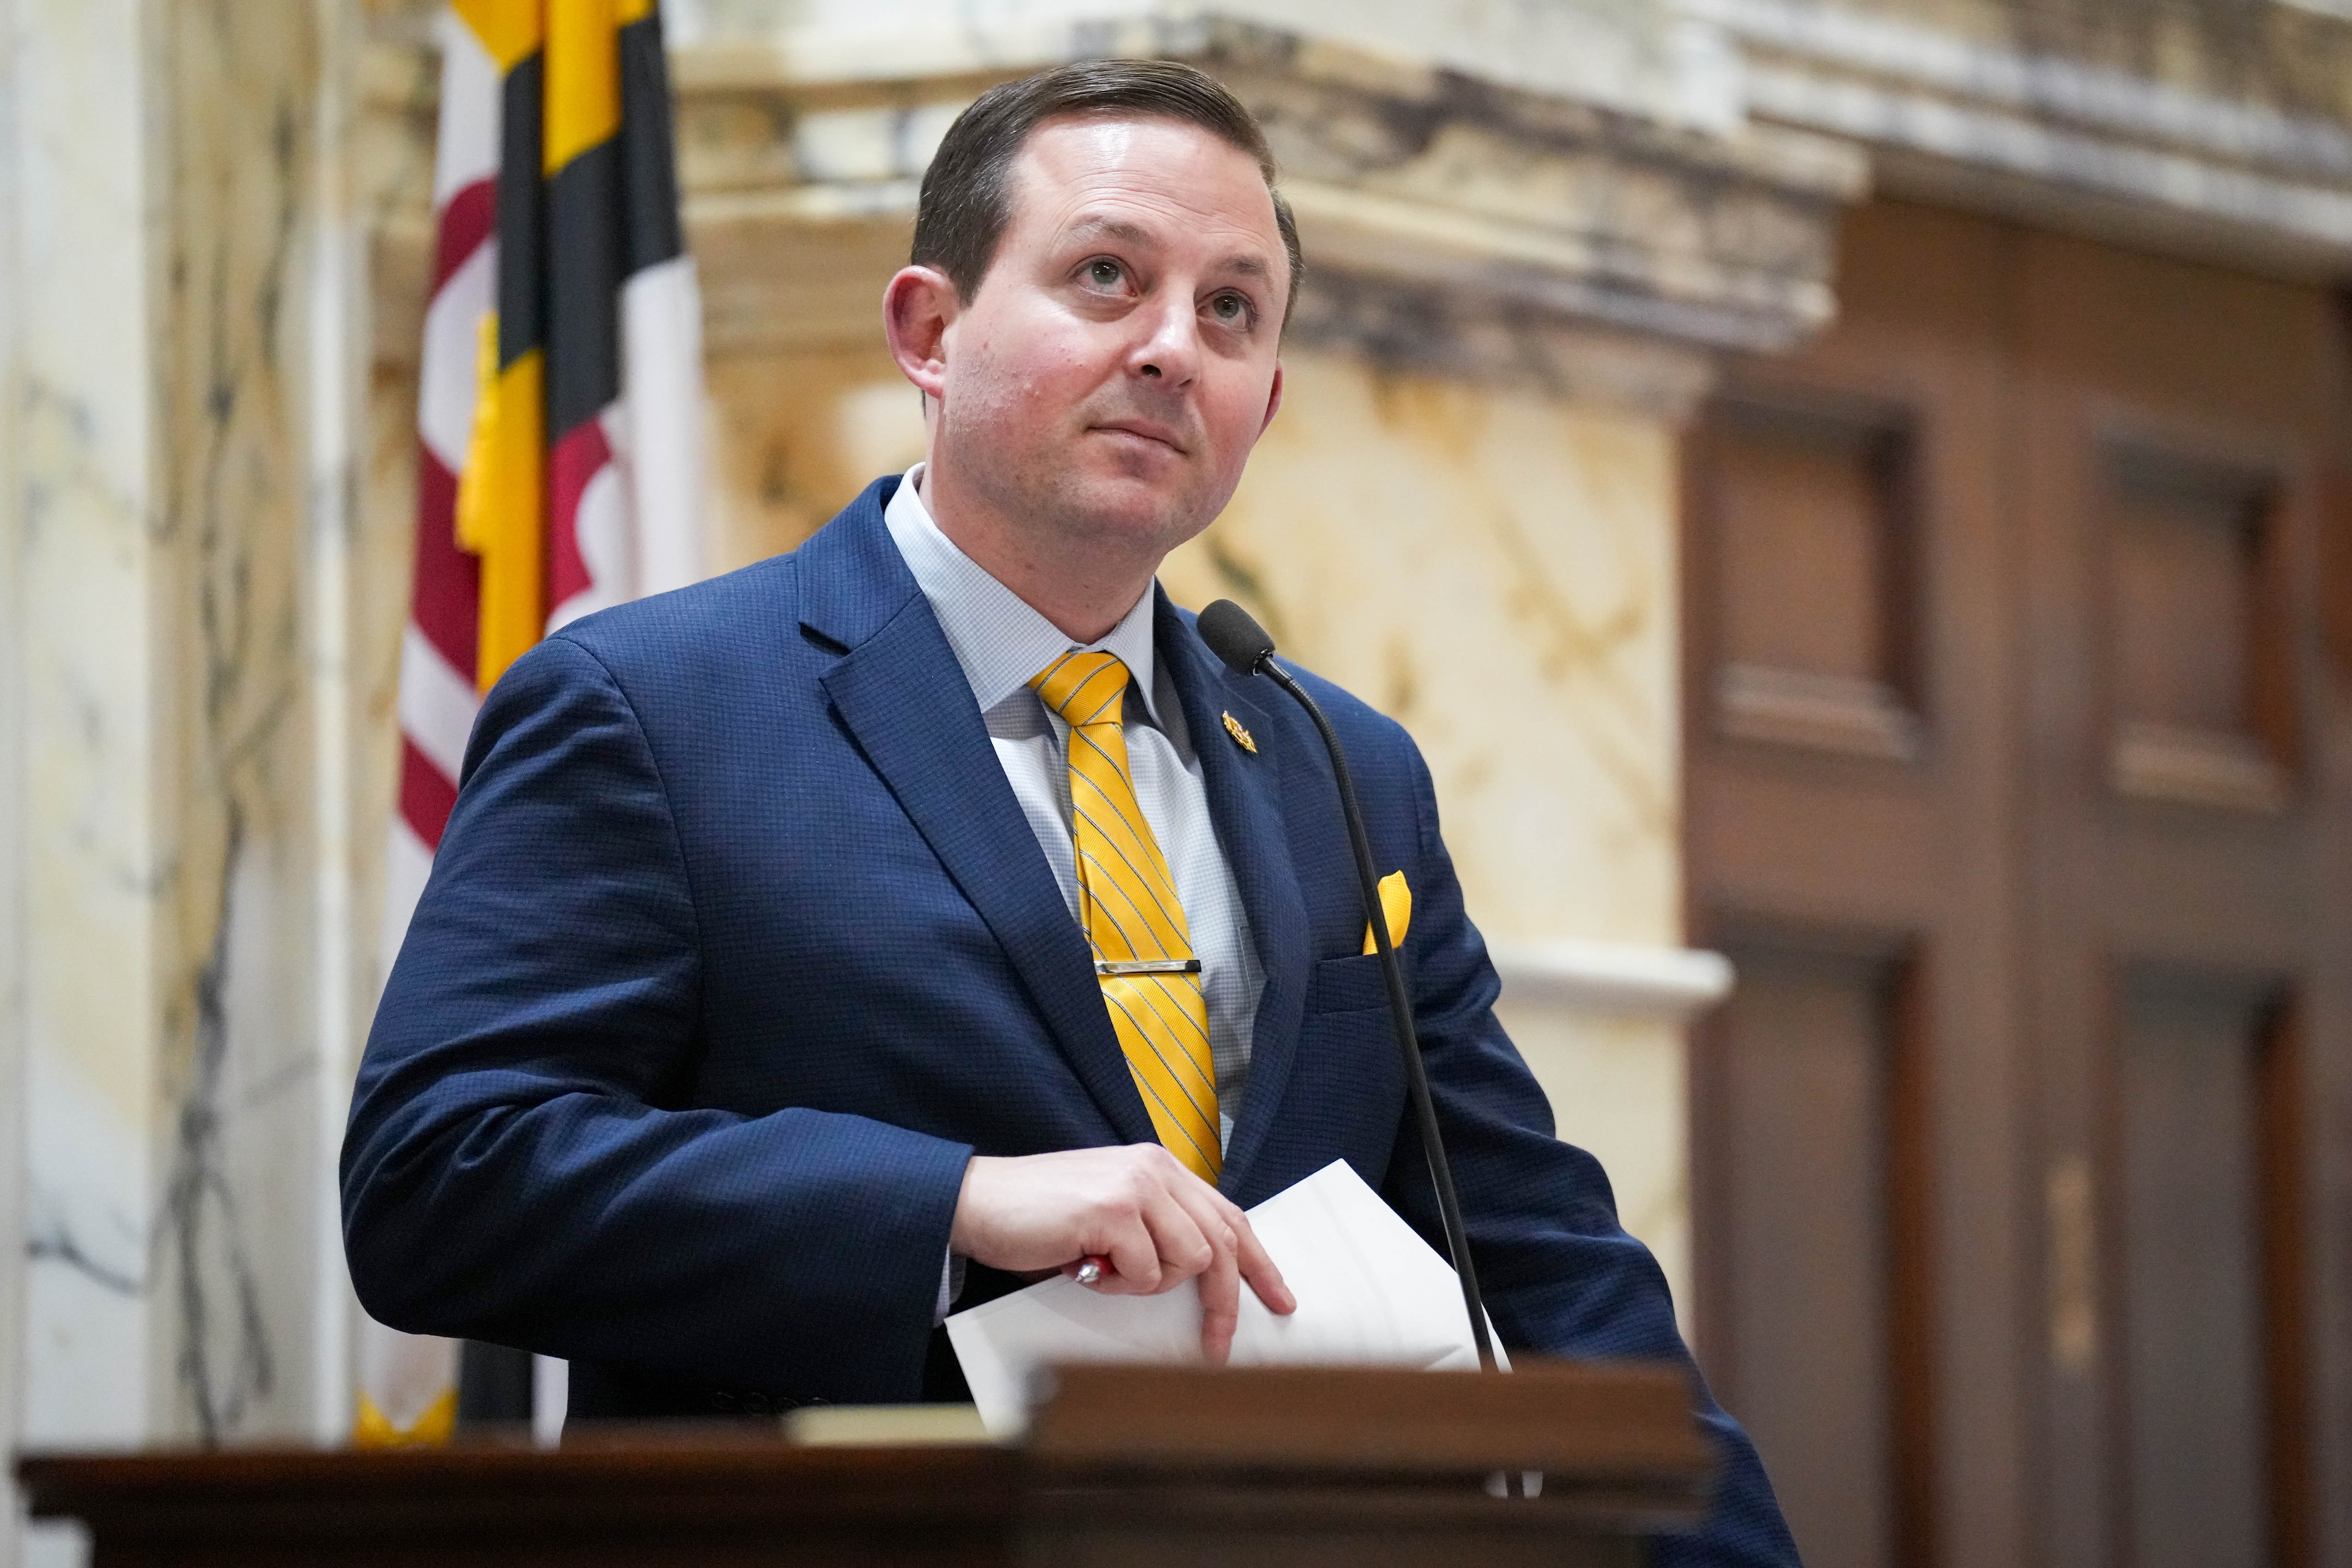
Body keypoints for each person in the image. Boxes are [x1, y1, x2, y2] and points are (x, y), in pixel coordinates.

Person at [343, 58, 1797, 1563]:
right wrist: (955, 1203)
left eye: (1231, 310)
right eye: (1107, 276)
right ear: (929, 328)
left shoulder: (1339, 771)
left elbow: (1544, 1264)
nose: (1173, 348)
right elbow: (437, 1179)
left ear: (1267, 399)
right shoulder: (656, 710)